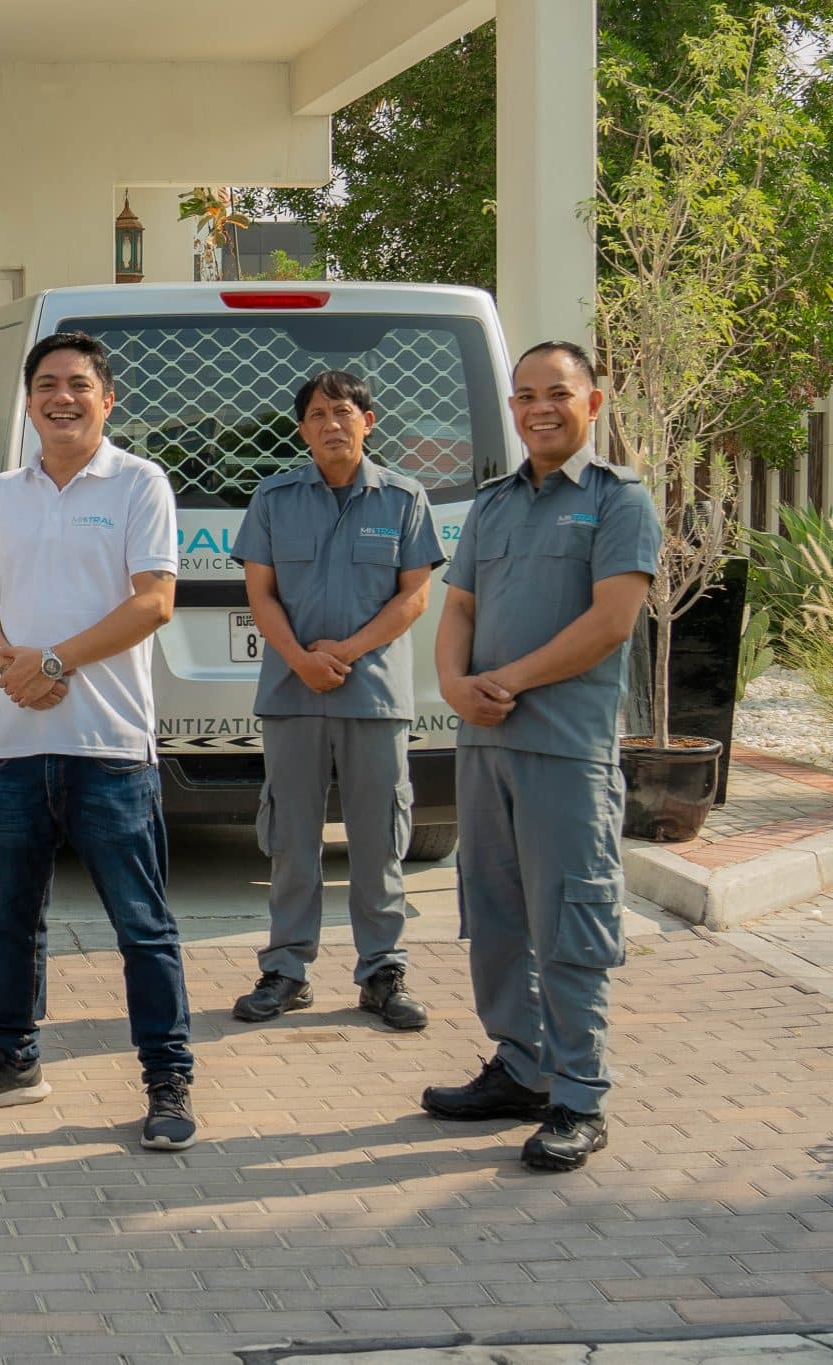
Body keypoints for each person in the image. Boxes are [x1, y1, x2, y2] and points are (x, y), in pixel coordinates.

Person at [0, 332, 198, 1151]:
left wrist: (54, 660)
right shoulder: (2, 493)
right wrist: (9, 662)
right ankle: (14, 1058)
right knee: (9, 918)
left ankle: (168, 1076)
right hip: (13, 747)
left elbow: (154, 601)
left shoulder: (139, 484)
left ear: (106, 399)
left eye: (79, 384)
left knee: (140, 923)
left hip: (109, 748)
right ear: (29, 399)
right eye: (46, 384)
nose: (62, 396)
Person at [422, 341, 660, 1172]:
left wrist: (507, 679)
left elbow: (611, 622)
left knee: (569, 924)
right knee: (492, 919)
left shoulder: (617, 501)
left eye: (557, 393)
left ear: (593, 404)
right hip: (484, 744)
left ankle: (579, 1095)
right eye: (524, 395)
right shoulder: (492, 505)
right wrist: (453, 683)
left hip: (565, 751)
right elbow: (459, 606)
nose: (539, 408)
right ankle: (520, 1067)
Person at [229, 370, 444, 1030]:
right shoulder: (274, 497)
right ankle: (286, 970)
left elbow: (415, 595)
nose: (331, 424)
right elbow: (260, 594)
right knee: (291, 839)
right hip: (292, 696)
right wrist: (301, 659)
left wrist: (343, 654)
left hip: (373, 697)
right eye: (317, 414)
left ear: (368, 421)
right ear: (301, 428)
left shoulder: (404, 499)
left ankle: (382, 971)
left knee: (378, 838)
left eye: (344, 412)